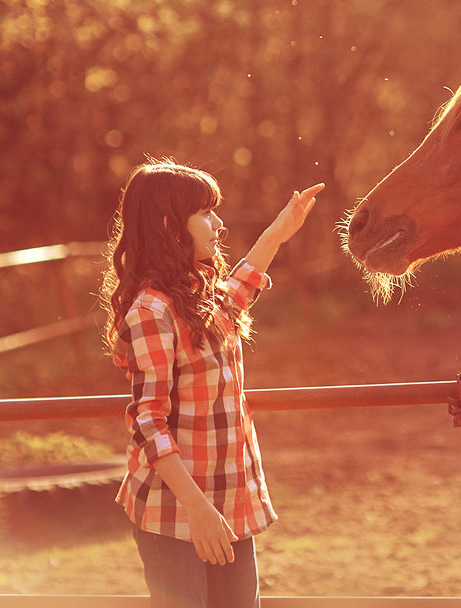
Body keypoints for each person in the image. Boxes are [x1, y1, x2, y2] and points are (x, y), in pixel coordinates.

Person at [100, 157, 323, 608]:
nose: (219, 223)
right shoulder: (150, 311)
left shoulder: (197, 292)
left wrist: (276, 232)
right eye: (205, 213)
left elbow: (238, 293)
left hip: (227, 502)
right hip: (176, 512)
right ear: (168, 223)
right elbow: (148, 421)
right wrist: (198, 511)